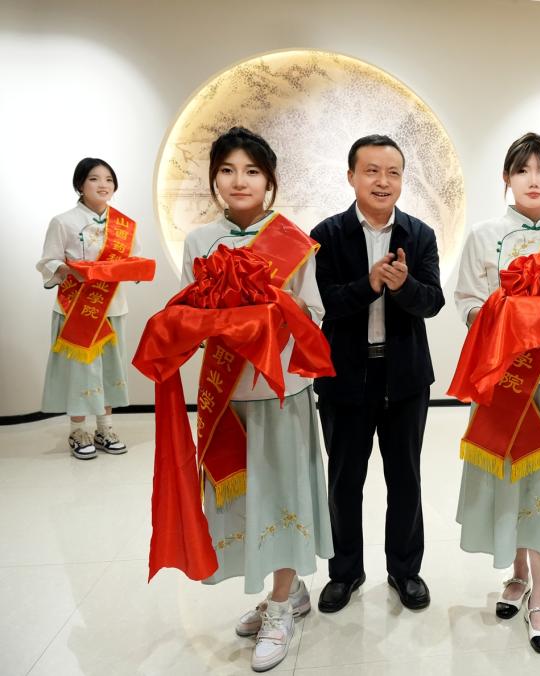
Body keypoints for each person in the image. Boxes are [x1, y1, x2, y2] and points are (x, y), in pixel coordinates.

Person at [180, 126, 332, 672]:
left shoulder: (292, 239)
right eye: (227, 171)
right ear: (214, 180)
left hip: (280, 389)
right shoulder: (200, 241)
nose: (238, 181)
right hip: (225, 395)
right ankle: (284, 594)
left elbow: (315, 314)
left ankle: (280, 606)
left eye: (251, 171)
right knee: (244, 499)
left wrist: (274, 311)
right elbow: (188, 314)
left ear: (269, 181)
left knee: (284, 494)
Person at [453, 133, 540, 653]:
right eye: (523, 170)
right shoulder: (484, 235)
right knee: (511, 478)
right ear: (507, 178)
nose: (534, 180)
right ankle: (515, 574)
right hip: (503, 379)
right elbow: (466, 300)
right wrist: (498, 316)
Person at [311, 134, 444, 614]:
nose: (382, 181)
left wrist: (404, 286)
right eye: (371, 171)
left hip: (405, 377)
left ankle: (405, 570)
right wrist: (369, 285)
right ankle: (345, 572)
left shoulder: (419, 234)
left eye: (392, 173)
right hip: (344, 378)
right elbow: (324, 304)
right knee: (344, 481)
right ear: (351, 176)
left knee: (405, 479)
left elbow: (433, 302)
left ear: (402, 180)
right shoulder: (326, 235)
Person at [37, 158, 138, 460]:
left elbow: (134, 259)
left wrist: (133, 270)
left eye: (109, 179)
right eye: (94, 178)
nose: (103, 185)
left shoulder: (124, 225)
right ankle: (78, 431)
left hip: (111, 307)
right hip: (75, 307)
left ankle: (105, 428)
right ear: (80, 184)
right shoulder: (63, 222)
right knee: (80, 371)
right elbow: (48, 261)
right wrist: (70, 270)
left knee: (109, 368)